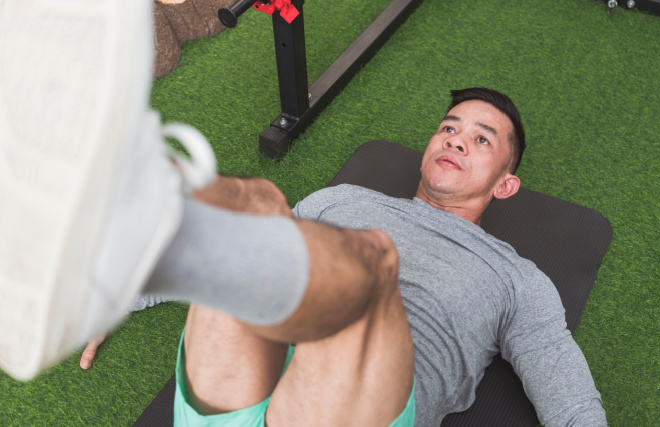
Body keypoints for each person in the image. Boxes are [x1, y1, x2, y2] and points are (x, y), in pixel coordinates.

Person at [0, 2, 605, 426]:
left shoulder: (517, 278)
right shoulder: (345, 201)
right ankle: (120, 256)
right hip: (241, 395)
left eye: (480, 140)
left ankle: (142, 217)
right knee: (262, 205)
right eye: (449, 128)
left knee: (371, 261)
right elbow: (243, 258)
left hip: (349, 409)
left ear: (506, 184)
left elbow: (569, 399)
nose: (453, 140)